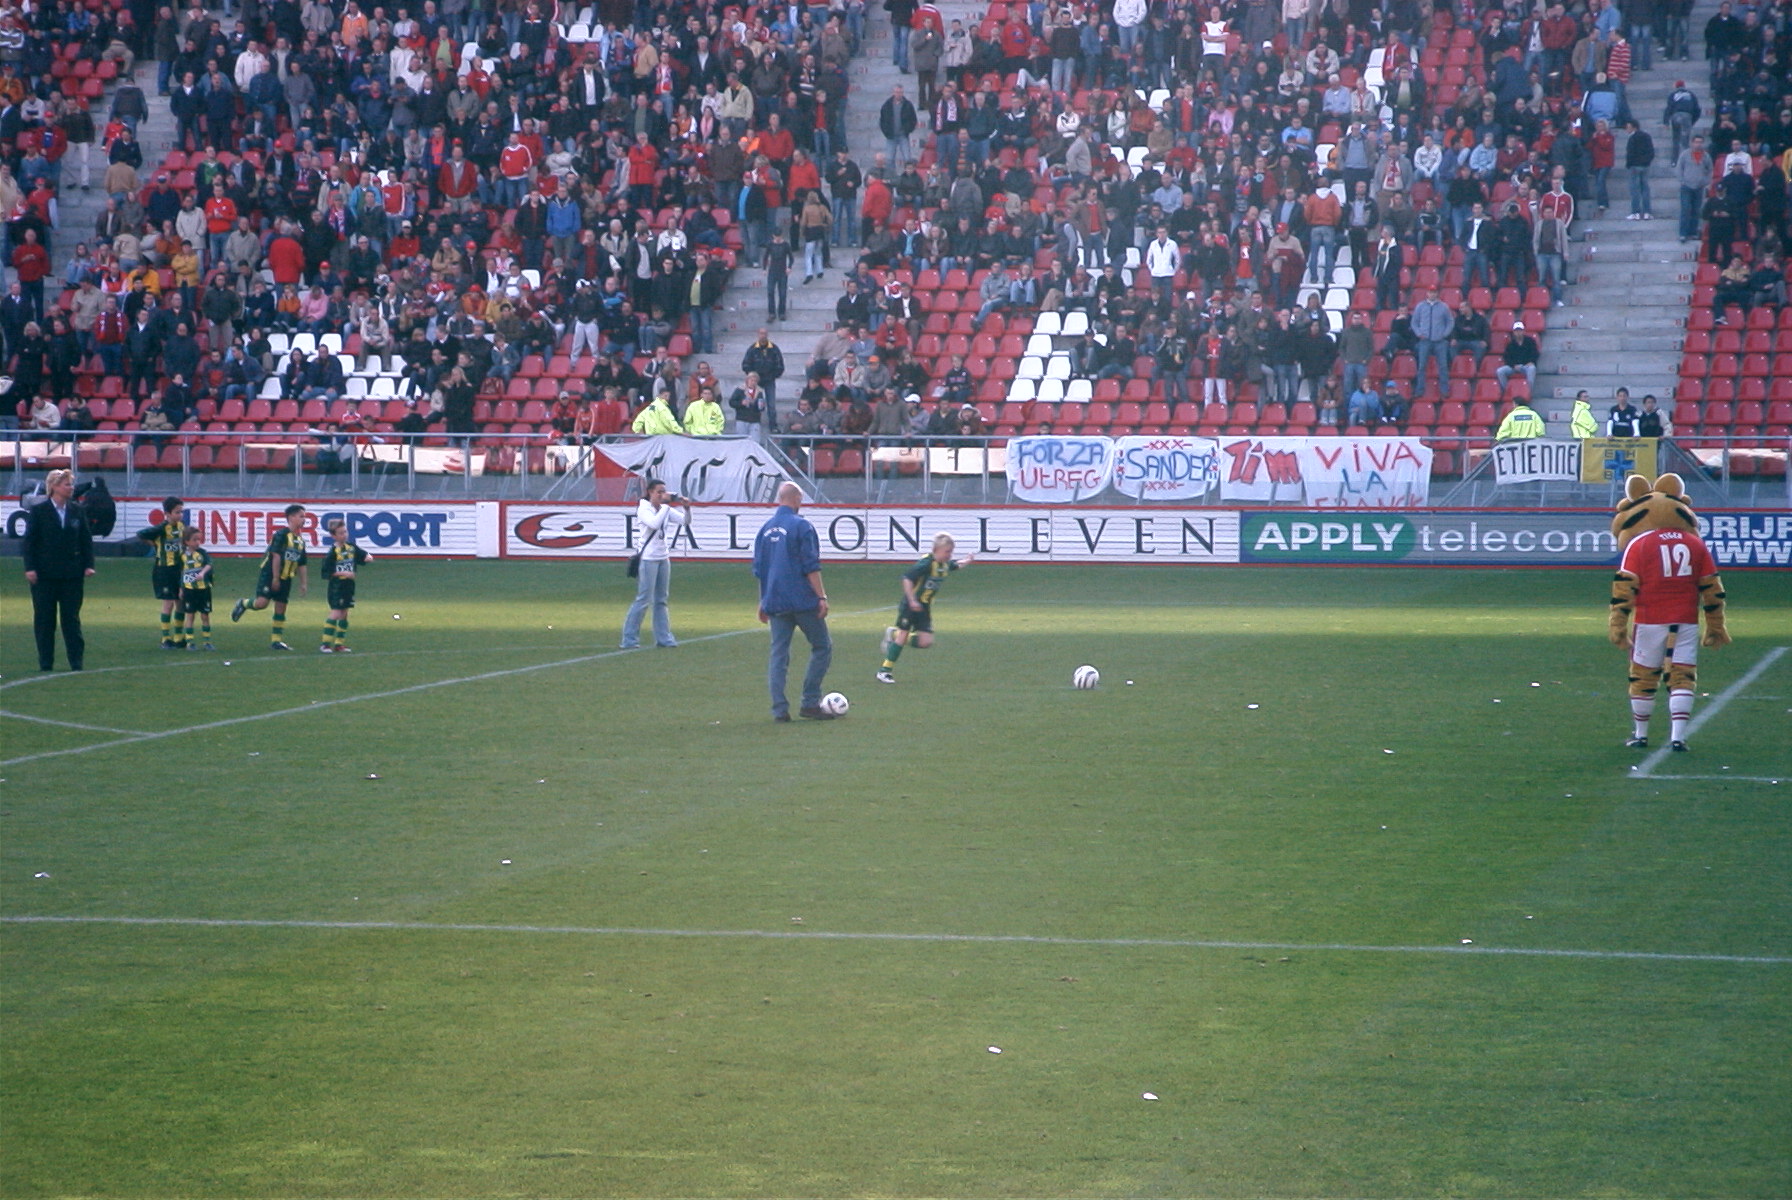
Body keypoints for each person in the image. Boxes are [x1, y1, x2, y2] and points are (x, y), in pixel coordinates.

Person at [753, 481, 834, 721]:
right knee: (822, 647)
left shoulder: (764, 530)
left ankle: (779, 710)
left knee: (779, 655)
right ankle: (810, 702)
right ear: (797, 499)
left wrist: (763, 601)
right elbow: (811, 566)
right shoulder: (802, 526)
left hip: (775, 602)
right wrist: (821, 596)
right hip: (801, 600)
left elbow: (761, 570)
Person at [21, 469, 95, 672]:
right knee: (45, 620)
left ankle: (76, 662)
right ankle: (46, 662)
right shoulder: (39, 511)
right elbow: (30, 542)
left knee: (71, 619)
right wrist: (30, 568)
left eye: (70, 484)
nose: (70, 488)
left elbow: (85, 540)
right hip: (44, 575)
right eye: (67, 484)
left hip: (72, 575)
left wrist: (89, 565)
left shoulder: (77, 511)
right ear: (54, 486)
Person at [877, 532, 971, 684]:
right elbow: (907, 578)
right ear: (936, 549)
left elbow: (956, 565)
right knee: (904, 636)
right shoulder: (926, 563)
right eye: (947, 551)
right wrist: (912, 600)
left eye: (950, 552)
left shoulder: (944, 564)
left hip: (924, 608)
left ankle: (893, 634)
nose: (949, 555)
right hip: (910, 606)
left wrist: (967, 560)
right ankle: (884, 671)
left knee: (925, 642)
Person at [621, 480, 691, 651]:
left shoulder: (664, 509)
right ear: (650, 492)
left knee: (661, 600)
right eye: (659, 492)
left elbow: (684, 521)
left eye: (663, 492)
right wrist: (666, 505)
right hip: (648, 558)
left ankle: (664, 638)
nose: (662, 495)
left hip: (663, 557)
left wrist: (687, 508)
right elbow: (654, 523)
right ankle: (629, 639)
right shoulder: (644, 508)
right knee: (643, 598)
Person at [230, 503, 309, 649]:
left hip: (287, 577)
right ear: (291, 518)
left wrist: (303, 583)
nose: (304, 519)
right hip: (270, 574)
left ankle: (276, 641)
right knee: (261, 604)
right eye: (301, 516)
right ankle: (243, 603)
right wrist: (275, 578)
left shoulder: (300, 541)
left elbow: (302, 564)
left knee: (281, 607)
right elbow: (276, 556)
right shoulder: (281, 535)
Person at [134, 495, 188, 647]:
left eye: (181, 512)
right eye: (177, 512)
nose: (180, 515)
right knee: (168, 602)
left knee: (180, 601)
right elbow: (141, 534)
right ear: (168, 513)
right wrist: (155, 545)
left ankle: (178, 636)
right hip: (163, 569)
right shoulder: (162, 528)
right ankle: (165, 638)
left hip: (178, 568)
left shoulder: (181, 526)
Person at [319, 518, 371, 653]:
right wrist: (344, 573)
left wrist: (368, 557)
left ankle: (339, 644)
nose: (344, 535)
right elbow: (326, 573)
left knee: (345, 613)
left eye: (345, 532)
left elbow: (364, 555)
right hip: (337, 587)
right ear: (333, 536)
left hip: (349, 587)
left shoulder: (351, 547)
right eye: (341, 533)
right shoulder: (332, 552)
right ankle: (325, 644)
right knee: (336, 612)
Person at [176, 526, 214, 651]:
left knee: (205, 615)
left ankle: (207, 641)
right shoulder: (182, 555)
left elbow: (209, 564)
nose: (198, 542)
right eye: (195, 540)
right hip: (189, 590)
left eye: (199, 539)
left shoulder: (202, 553)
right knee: (190, 615)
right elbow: (182, 572)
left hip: (203, 589)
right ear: (187, 542)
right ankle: (190, 641)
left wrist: (203, 573)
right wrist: (181, 588)